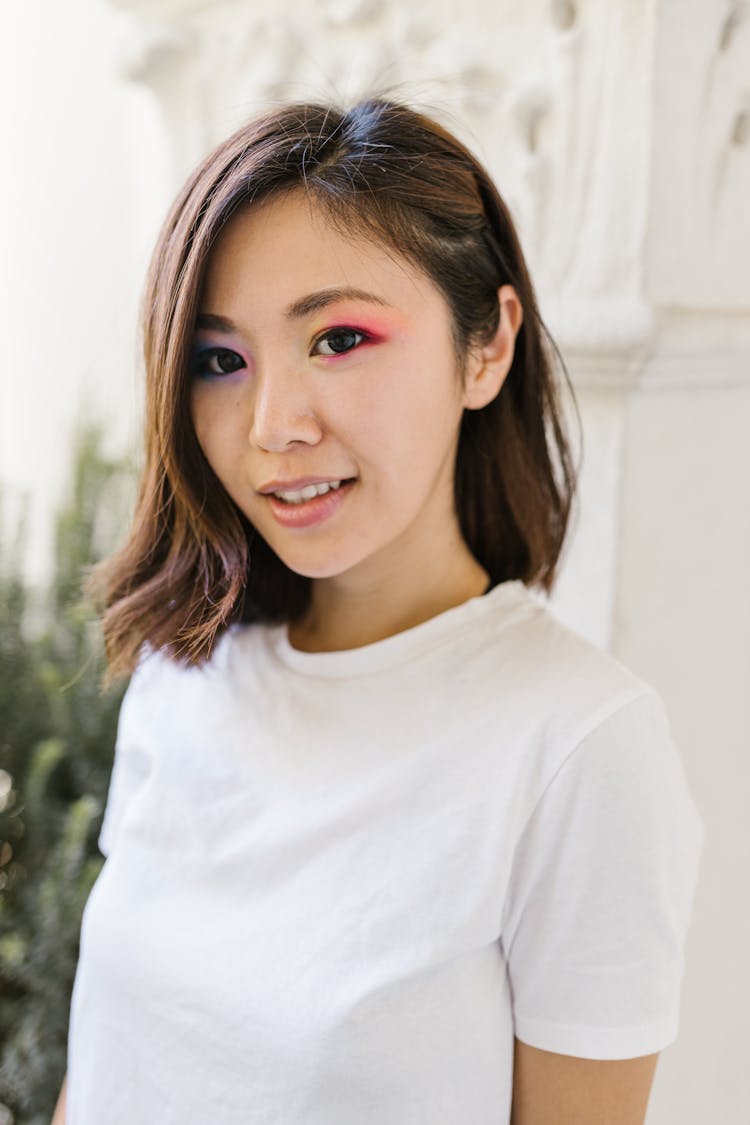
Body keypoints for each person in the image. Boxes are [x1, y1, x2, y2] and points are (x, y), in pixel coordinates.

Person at [55, 94, 704, 1125]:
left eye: (340, 337)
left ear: (485, 347)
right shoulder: (187, 675)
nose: (271, 427)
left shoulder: (581, 748)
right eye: (220, 360)